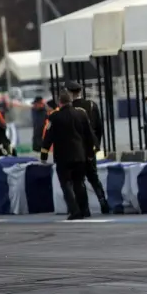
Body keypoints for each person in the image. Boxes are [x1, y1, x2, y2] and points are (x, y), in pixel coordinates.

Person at [40, 92, 96, 220]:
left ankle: (74, 211)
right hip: (80, 155)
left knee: (66, 184)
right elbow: (89, 136)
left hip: (63, 156)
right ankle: (85, 210)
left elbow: (48, 138)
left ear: (60, 103)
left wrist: (43, 155)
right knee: (79, 183)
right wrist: (90, 153)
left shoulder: (54, 117)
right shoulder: (81, 114)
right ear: (71, 101)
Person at [66, 81, 109, 214]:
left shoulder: (69, 110)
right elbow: (99, 128)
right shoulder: (91, 105)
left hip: (75, 150)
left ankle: (84, 208)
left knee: (78, 180)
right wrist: (96, 146)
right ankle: (103, 202)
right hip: (90, 148)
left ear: (69, 92)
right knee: (93, 177)